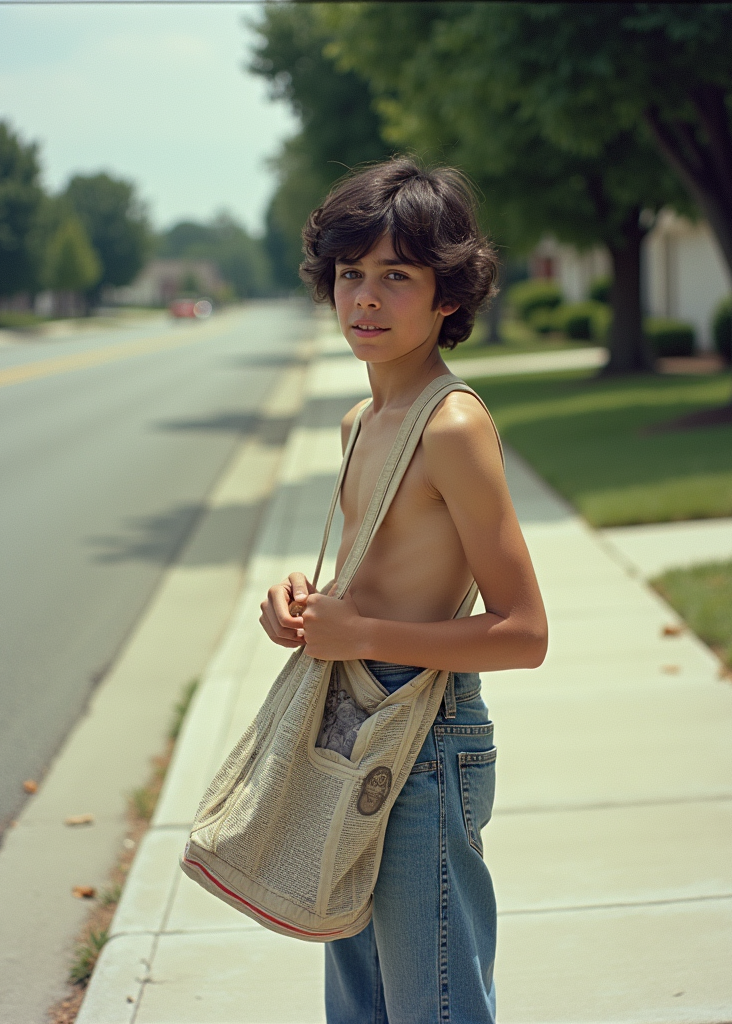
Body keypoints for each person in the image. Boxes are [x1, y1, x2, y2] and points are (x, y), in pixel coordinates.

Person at [259, 157, 548, 1024]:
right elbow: (370, 583)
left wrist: (364, 637)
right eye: (351, 274)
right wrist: (306, 604)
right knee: (360, 1004)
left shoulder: (452, 426)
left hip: (424, 738)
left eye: (397, 276)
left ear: (447, 295)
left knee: (437, 1003)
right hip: (348, 724)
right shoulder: (361, 420)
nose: (366, 300)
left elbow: (523, 632)